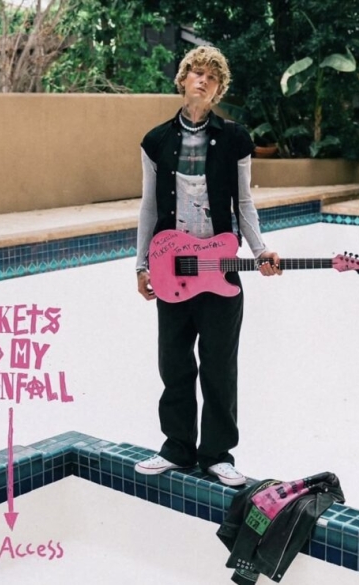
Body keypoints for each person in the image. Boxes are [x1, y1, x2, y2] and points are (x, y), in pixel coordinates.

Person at [134, 45, 282, 487]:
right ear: (183, 80)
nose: (203, 80)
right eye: (196, 72)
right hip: (171, 269)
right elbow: (148, 207)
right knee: (174, 363)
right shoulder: (156, 141)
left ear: (218, 90)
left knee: (219, 366)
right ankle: (177, 449)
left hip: (220, 268)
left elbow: (244, 203)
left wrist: (260, 251)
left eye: (212, 77)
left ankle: (217, 455)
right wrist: (141, 265)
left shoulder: (235, 138)